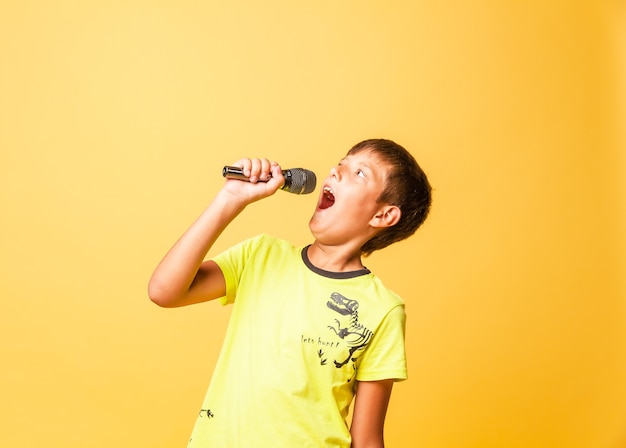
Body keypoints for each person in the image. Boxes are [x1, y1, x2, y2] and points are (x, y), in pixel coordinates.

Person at [148, 138, 432, 448]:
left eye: (359, 173)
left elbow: (366, 440)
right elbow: (164, 291)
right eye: (341, 162)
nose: (336, 171)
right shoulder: (260, 255)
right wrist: (230, 198)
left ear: (383, 216)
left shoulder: (383, 309)